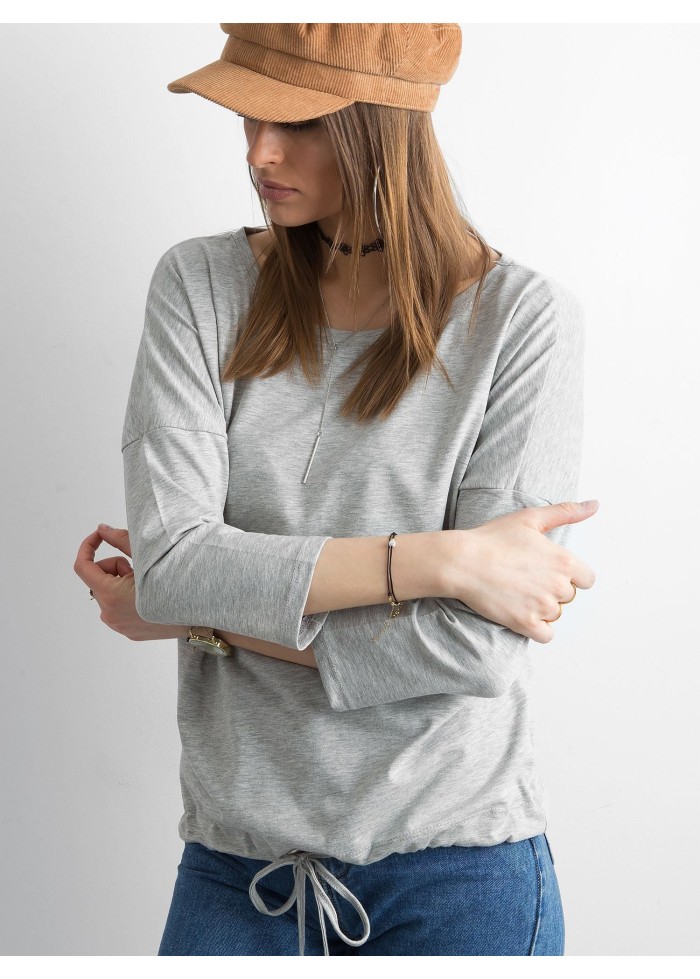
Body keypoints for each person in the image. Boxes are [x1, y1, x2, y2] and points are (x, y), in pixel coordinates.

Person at [73, 23, 598, 956]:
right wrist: (437, 560)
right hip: (238, 868)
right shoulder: (202, 286)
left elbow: (474, 648)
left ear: (383, 126)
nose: (258, 153)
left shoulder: (522, 323)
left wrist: (203, 620)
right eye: (248, 117)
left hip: (460, 875)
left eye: (298, 122)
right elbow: (176, 562)